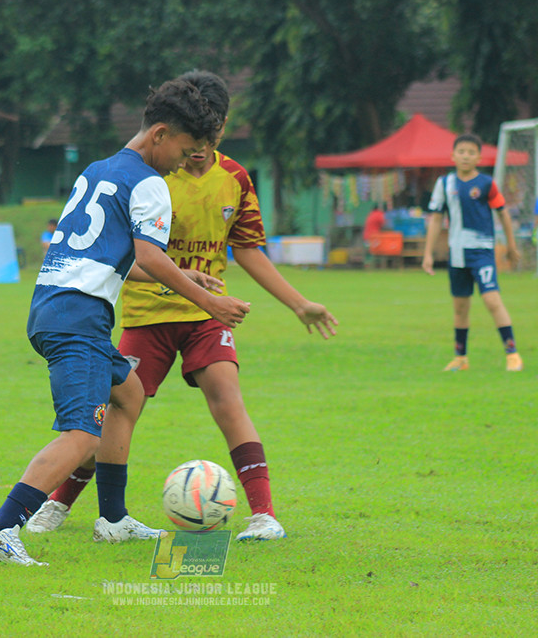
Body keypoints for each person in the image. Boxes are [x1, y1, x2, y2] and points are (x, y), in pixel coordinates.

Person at [26, 70, 338, 542]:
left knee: (226, 399)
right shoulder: (151, 175)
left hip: (203, 317)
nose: (205, 143)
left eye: (217, 129)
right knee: (114, 407)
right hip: (148, 313)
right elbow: (136, 254)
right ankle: (58, 506)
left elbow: (249, 248)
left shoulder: (233, 177)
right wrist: (206, 296)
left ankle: (263, 514)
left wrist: (298, 303)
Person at [0, 79, 250, 566]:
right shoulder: (150, 183)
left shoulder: (100, 169)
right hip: (77, 315)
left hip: (58, 304)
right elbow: (149, 254)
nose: (185, 163)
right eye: (185, 151)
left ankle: (113, 519)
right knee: (81, 433)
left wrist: (178, 276)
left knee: (129, 392)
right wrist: (210, 305)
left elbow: (116, 256)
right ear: (160, 134)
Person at [422, 133, 523, 372]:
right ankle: (461, 358)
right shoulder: (444, 184)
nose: (465, 156)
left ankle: (512, 354)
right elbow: (436, 219)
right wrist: (428, 254)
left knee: (491, 300)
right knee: (460, 307)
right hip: (456, 254)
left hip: (482, 252)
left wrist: (511, 245)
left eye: (470, 152)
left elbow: (503, 213)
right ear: (453, 156)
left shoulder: (486, 183)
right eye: (461, 152)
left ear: (478, 157)